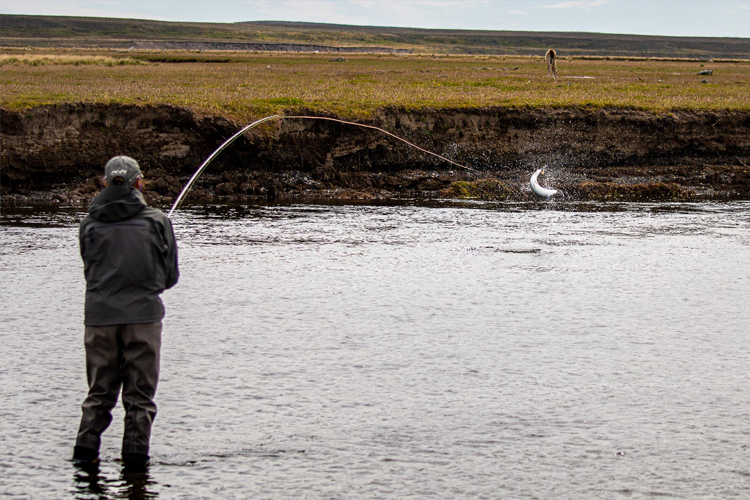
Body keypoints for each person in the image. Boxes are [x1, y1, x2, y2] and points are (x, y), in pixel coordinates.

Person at [73, 156, 179, 468]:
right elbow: (170, 278)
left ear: (104, 184)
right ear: (138, 184)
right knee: (139, 400)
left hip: (99, 320)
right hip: (143, 319)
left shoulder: (88, 224)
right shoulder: (158, 221)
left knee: (99, 395)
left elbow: (89, 271)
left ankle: (82, 466)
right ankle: (135, 470)